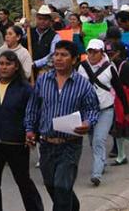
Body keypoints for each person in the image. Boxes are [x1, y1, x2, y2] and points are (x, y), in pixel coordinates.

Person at [25, 40, 100, 211]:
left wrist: (87, 123)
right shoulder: (43, 80)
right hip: (46, 144)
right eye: (56, 54)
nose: (58, 58)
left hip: (70, 145)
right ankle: (74, 206)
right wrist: (29, 129)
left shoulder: (83, 85)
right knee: (52, 185)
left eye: (64, 55)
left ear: (73, 60)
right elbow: (33, 107)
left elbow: (93, 110)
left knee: (62, 187)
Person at [0, 51, 43, 211]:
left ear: (16, 66)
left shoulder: (25, 89)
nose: (4, 67)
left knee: (23, 180)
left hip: (16, 143)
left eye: (8, 64)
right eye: (1, 64)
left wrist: (33, 134)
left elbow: (32, 114)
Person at [78, 39, 129, 186]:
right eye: (90, 51)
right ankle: (102, 161)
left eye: (95, 52)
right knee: (92, 140)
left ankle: (97, 173)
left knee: (99, 140)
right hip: (87, 111)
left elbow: (119, 89)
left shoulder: (109, 68)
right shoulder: (81, 67)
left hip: (106, 109)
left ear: (102, 52)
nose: (92, 55)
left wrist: (126, 109)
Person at [25, 6, 61, 72]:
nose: (42, 21)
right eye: (40, 19)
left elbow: (53, 55)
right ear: (36, 19)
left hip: (46, 70)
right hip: (27, 69)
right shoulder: (29, 32)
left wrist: (36, 63)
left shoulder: (55, 36)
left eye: (45, 19)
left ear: (50, 21)